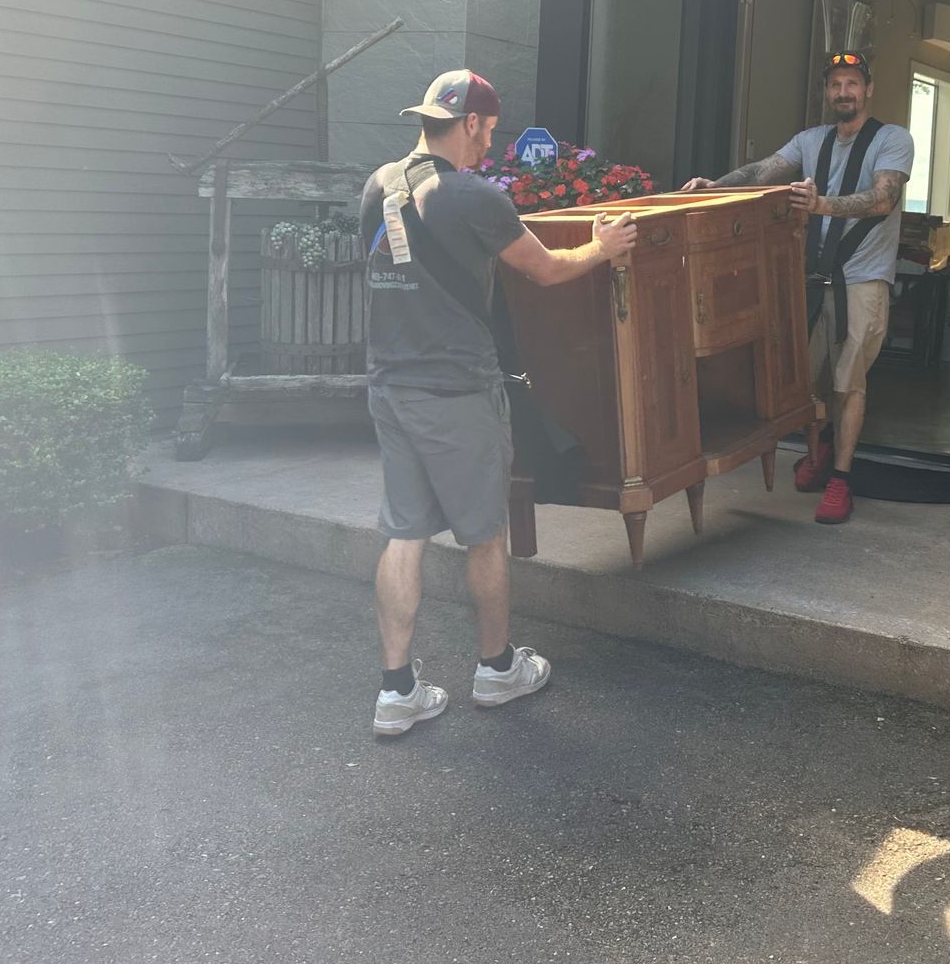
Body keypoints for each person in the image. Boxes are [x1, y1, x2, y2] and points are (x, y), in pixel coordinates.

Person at [361, 69, 636, 737]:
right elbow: (546, 269)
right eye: (488, 131)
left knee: (405, 532)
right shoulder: (473, 196)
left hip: (390, 386)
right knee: (485, 535)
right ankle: (496, 669)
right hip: (457, 391)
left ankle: (396, 691)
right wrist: (602, 246)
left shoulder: (378, 185)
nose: (490, 145)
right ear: (471, 123)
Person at [681, 52, 913, 525]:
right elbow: (761, 171)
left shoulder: (892, 139)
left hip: (862, 280)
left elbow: (883, 198)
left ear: (868, 90)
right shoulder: (811, 140)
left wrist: (821, 204)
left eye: (852, 83)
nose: (843, 92)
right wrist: (714, 187)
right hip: (812, 279)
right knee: (807, 382)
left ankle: (840, 479)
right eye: (835, 84)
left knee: (848, 384)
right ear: (827, 92)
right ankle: (821, 449)